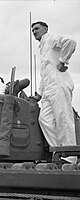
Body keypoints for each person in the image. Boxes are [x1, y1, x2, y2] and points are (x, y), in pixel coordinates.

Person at [31, 21, 77, 164]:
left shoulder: (50, 39)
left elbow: (70, 42)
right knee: (44, 120)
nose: (34, 32)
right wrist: (39, 94)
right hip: (48, 90)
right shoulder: (42, 48)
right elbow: (45, 74)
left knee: (63, 118)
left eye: (37, 28)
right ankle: (59, 151)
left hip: (59, 85)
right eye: (32, 30)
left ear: (45, 29)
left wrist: (64, 61)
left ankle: (70, 156)